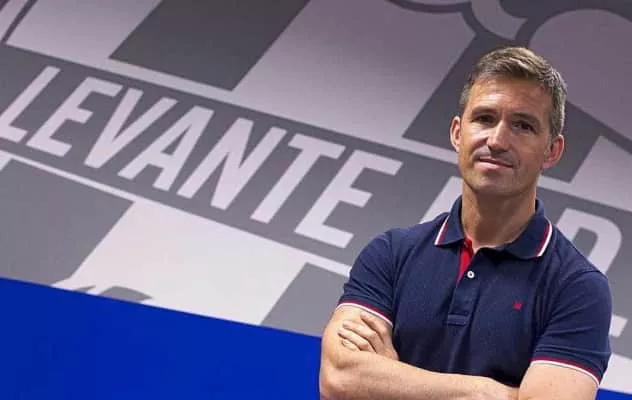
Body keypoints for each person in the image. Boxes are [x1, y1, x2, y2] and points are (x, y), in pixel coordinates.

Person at [318, 46, 612, 400]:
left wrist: (387, 381)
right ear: (458, 133)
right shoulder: (391, 255)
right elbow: (339, 378)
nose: (497, 141)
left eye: (523, 125)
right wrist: (487, 392)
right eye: (484, 118)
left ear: (552, 150)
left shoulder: (577, 288)